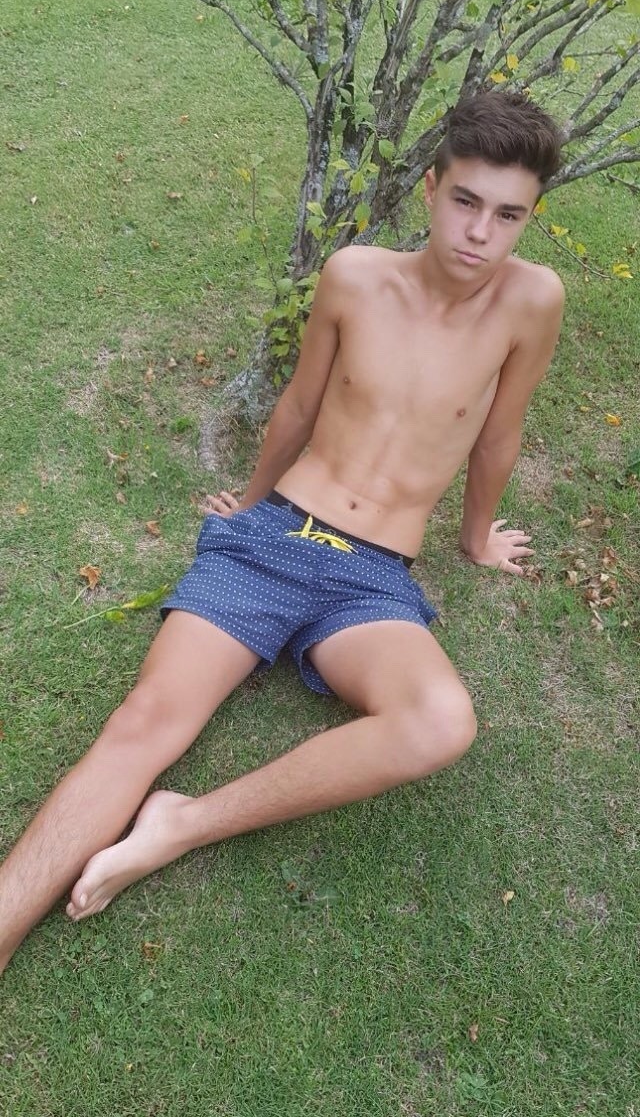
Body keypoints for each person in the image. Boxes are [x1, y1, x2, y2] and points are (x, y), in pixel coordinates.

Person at [0, 89, 565, 974]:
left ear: (530, 218)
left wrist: (476, 538)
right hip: (276, 539)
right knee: (145, 722)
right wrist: (252, 500)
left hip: (373, 581)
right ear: (430, 188)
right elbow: (300, 404)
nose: (479, 234)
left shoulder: (533, 302)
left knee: (440, 722)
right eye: (465, 201)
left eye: (508, 215)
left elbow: (500, 435)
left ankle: (182, 824)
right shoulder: (355, 276)